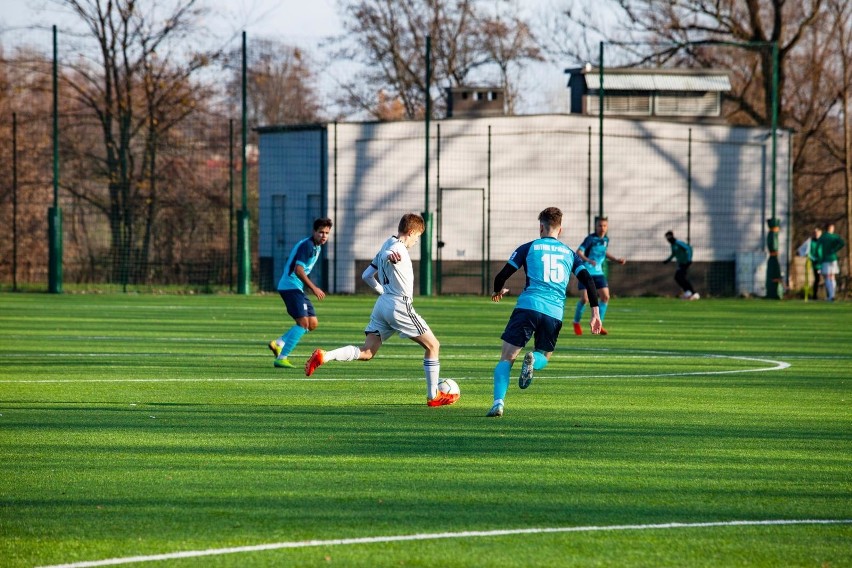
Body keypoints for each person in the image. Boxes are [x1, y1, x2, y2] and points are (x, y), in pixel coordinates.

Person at [304, 213, 456, 407]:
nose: (417, 241)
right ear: (411, 232)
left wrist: (383, 291)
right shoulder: (396, 248)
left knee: (367, 352)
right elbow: (390, 254)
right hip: (399, 305)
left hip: (383, 304)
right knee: (433, 346)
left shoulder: (387, 243)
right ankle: (433, 395)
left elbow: (367, 275)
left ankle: (325, 356)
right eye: (417, 236)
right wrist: (390, 257)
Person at [487, 207, 602, 418]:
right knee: (544, 356)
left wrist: (497, 291)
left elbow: (502, 276)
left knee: (506, 358)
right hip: (554, 312)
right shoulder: (569, 253)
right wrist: (595, 313)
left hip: (527, 307)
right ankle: (534, 358)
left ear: (541, 227)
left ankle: (498, 403)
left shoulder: (528, 247)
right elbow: (588, 281)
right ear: (561, 230)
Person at [268, 217, 333, 368]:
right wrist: (314, 288)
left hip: (296, 288)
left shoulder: (317, 247)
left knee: (312, 324)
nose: (323, 236)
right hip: (290, 286)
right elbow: (298, 270)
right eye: (321, 232)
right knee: (303, 324)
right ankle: (282, 357)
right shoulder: (308, 246)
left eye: (327, 233)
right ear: (314, 232)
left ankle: (278, 343)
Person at [571, 216, 626, 336]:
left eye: (604, 225)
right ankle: (576, 322)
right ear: (595, 226)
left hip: (599, 273)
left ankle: (598, 323)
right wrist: (588, 260)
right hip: (586, 272)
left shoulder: (606, 239)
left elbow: (604, 252)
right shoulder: (590, 239)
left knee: (605, 297)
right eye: (600, 225)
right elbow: (579, 252)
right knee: (585, 299)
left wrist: (616, 260)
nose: (602, 228)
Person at [663, 230, 699, 300]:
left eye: (669, 237)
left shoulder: (678, 243)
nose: (668, 239)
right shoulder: (673, 245)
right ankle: (688, 292)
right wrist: (668, 260)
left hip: (686, 263)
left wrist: (689, 259)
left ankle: (693, 293)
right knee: (678, 277)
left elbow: (688, 248)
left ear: (672, 236)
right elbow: (673, 254)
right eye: (667, 238)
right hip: (680, 263)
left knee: (680, 277)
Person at [817, 223, 846, 302]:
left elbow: (818, 248)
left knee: (827, 277)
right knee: (832, 277)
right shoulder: (835, 237)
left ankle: (831, 296)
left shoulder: (823, 237)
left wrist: (819, 258)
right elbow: (842, 243)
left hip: (825, 259)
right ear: (830, 228)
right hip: (833, 258)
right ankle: (832, 295)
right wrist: (835, 249)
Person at [796, 227, 822, 300]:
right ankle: (815, 295)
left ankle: (830, 296)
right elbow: (803, 250)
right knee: (817, 279)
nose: (816, 234)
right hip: (816, 263)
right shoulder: (810, 241)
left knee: (828, 278)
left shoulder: (823, 241)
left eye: (817, 233)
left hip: (824, 262)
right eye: (815, 233)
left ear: (820, 233)